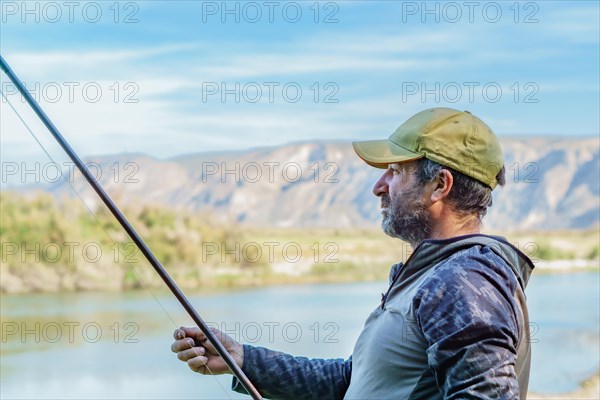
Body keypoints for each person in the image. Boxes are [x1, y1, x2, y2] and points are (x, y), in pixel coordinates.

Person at [171, 107, 535, 399]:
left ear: (440, 185)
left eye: (394, 172)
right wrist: (244, 360)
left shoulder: (462, 280)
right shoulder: (435, 274)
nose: (379, 186)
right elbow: (352, 381)